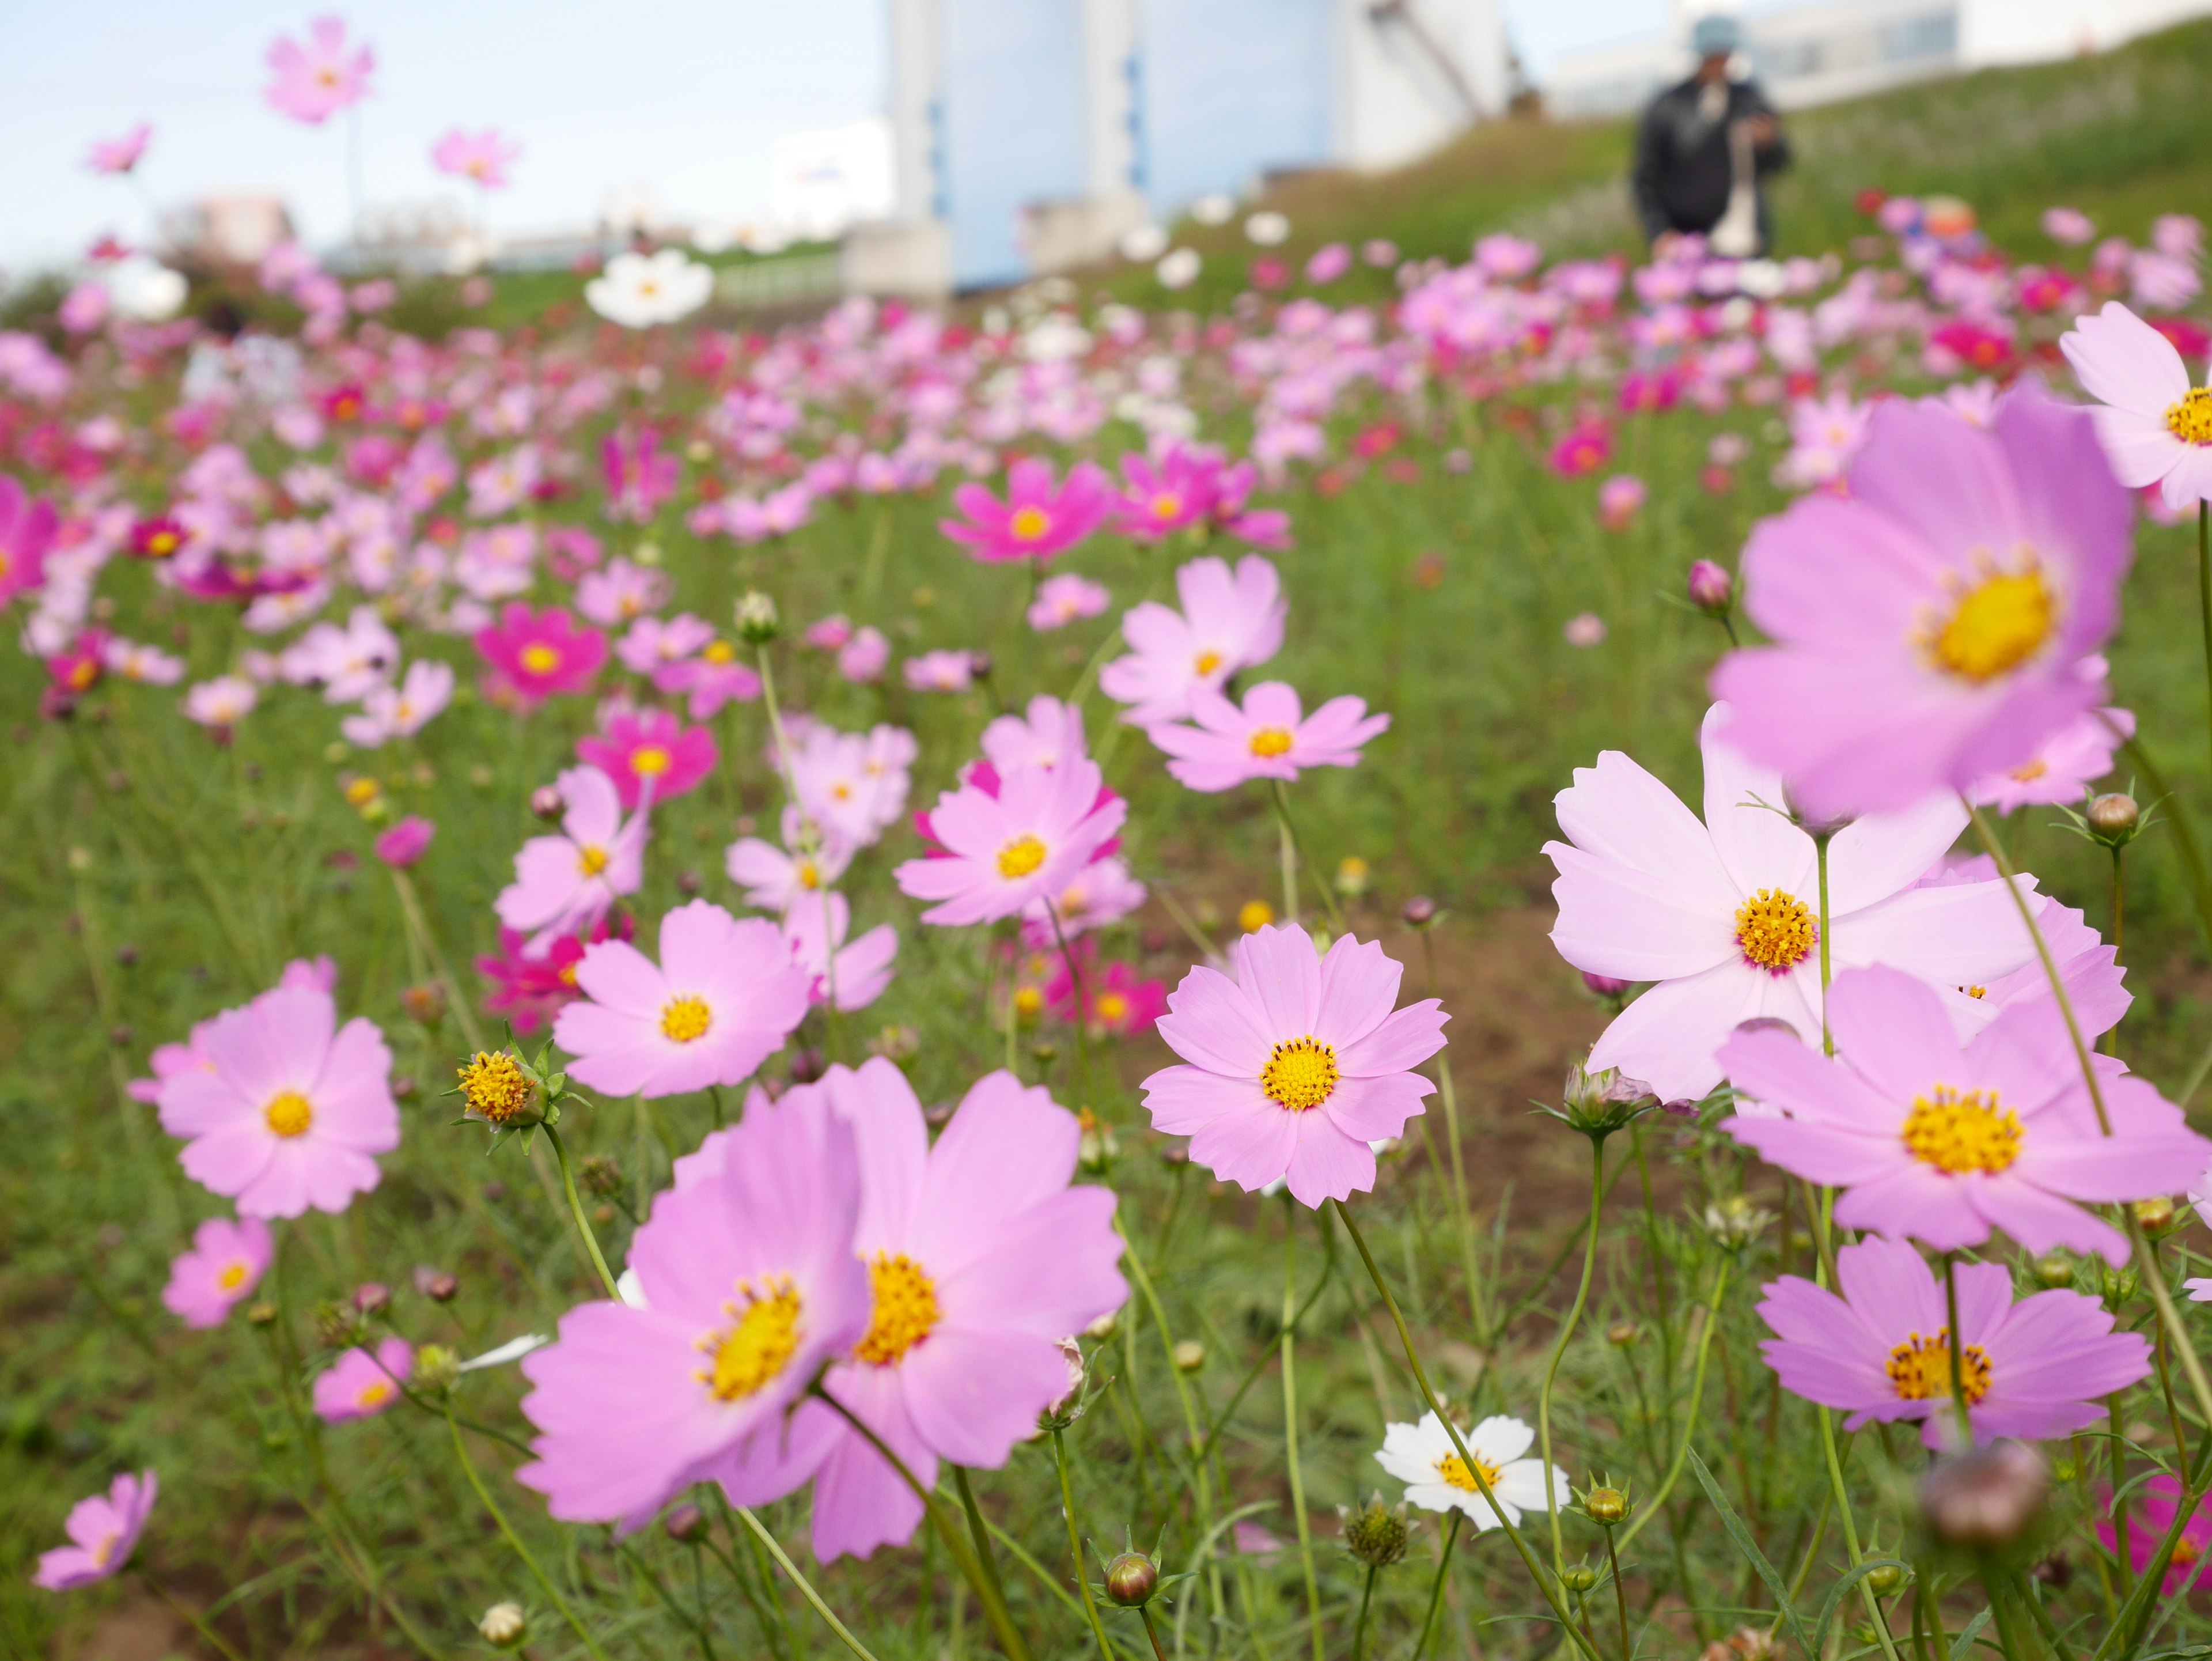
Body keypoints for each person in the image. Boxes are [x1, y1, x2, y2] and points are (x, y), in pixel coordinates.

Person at [1632, 14, 1790, 259]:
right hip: (1687, 243)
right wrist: (1659, 232)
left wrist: (1771, 143)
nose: (1719, 61)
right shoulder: (1667, 106)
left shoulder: (1748, 98)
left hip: (1745, 237)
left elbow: (1780, 163)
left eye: (1725, 53)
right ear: (1699, 55)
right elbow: (1645, 177)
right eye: (1713, 54)